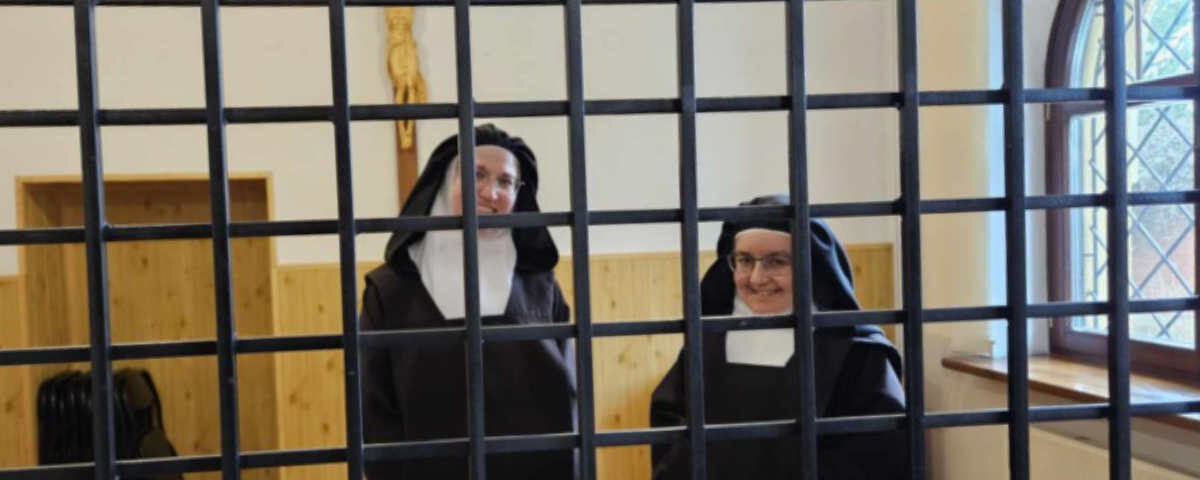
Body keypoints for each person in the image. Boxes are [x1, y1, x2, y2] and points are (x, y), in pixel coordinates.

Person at [360, 124, 576, 479]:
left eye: (506, 181)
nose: (490, 192)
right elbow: (375, 414)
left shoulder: (541, 287)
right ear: (446, 183)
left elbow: (567, 400)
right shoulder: (391, 291)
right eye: (476, 175)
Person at [650, 194, 906, 479]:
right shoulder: (704, 348)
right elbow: (671, 436)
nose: (756, 278)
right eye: (745, 260)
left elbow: (879, 455)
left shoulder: (859, 356)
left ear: (812, 266)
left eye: (776, 261)